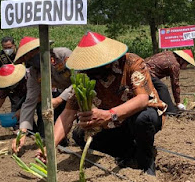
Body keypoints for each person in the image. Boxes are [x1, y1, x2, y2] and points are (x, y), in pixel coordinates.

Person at [38, 32, 167, 176]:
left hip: (141, 116)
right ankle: (129, 153)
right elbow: (67, 114)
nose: (88, 72)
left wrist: (109, 115)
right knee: (80, 135)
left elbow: (142, 99)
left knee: (143, 119)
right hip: (115, 124)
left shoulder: (131, 62)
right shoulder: (84, 75)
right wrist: (49, 147)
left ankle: (146, 162)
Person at [11, 36, 72, 152]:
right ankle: (61, 141)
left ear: (40, 49)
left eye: (30, 55)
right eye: (26, 58)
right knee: (52, 124)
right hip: (61, 95)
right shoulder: (34, 73)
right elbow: (30, 101)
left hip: (76, 91)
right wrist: (22, 133)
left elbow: (80, 80)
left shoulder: (64, 55)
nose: (29, 60)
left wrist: (60, 99)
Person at [0, 37, 21, 112]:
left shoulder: (21, 53)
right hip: (8, 83)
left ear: (14, 45)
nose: (7, 50)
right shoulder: (0, 57)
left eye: (9, 47)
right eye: (5, 48)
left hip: (23, 82)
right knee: (14, 103)